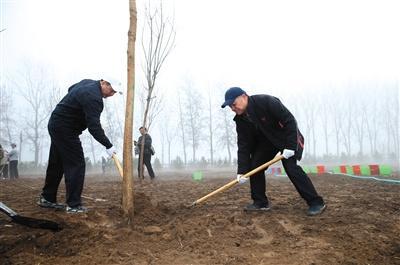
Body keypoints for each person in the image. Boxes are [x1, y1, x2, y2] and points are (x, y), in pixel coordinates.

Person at [221, 87, 326, 216]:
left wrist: (291, 147)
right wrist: (242, 171)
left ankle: (316, 202)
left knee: (291, 168)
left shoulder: (266, 101)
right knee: (255, 166)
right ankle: (260, 202)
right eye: (230, 107)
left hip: (286, 137)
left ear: (244, 96)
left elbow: (290, 121)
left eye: (233, 104)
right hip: (267, 142)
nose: (232, 108)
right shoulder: (240, 120)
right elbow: (243, 146)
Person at [38, 79, 118, 213]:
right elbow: (94, 127)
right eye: (111, 90)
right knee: (76, 164)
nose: (111, 94)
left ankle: (47, 198)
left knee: (57, 163)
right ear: (104, 82)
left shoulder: (87, 82)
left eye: (114, 92)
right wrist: (108, 145)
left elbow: (71, 88)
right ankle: (73, 205)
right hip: (66, 129)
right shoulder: (94, 98)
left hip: (56, 123)